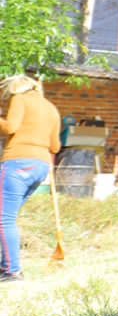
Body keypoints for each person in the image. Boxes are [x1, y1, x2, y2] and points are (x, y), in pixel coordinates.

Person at [0, 75, 61, 281]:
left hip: (18, 163)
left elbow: (10, 127)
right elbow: (55, 147)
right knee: (7, 218)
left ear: (15, 89)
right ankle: (6, 266)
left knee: (4, 219)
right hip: (40, 167)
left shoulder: (20, 99)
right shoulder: (51, 108)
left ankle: (12, 271)